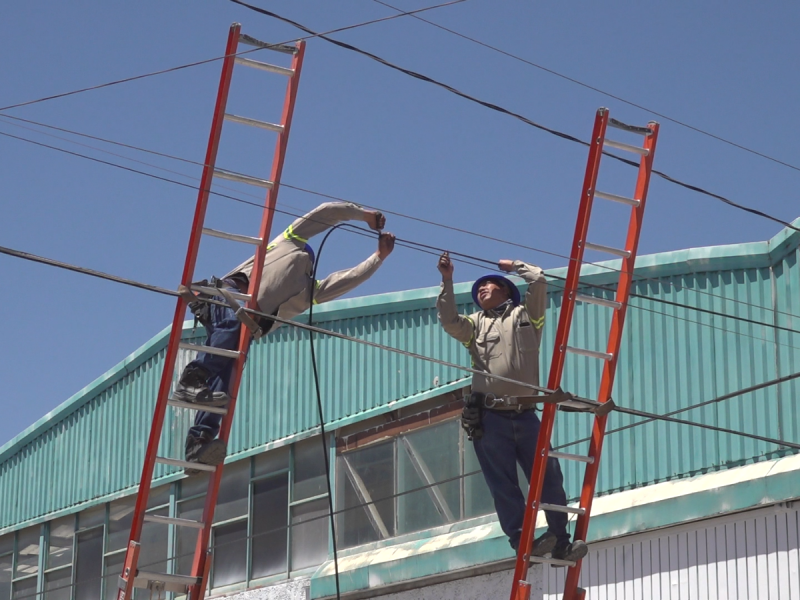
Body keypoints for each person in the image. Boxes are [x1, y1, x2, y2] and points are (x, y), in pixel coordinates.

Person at [175, 202, 396, 470]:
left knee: (226, 375)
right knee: (232, 328)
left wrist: (378, 256)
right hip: (226, 299)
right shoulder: (288, 242)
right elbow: (325, 214)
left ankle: (198, 442)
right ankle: (192, 379)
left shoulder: (308, 291)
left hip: (242, 325)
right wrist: (363, 216)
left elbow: (347, 279)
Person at [435, 251, 588, 564]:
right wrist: (447, 280)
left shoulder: (527, 315)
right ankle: (523, 542)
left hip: (526, 414)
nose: (482, 289)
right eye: (479, 289)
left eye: (490, 285)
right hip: (491, 418)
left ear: (507, 289)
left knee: (548, 477)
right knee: (503, 484)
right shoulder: (474, 325)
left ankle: (560, 540)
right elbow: (449, 321)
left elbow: (539, 279)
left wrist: (514, 266)